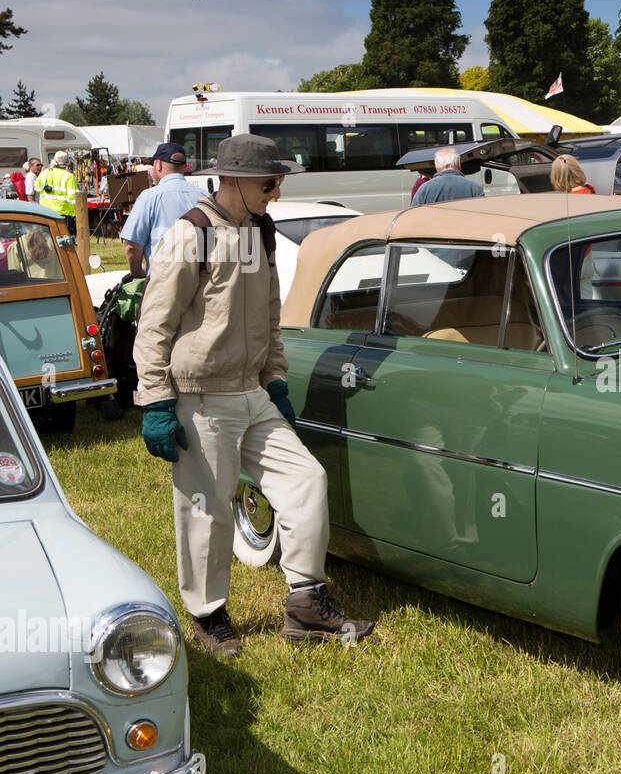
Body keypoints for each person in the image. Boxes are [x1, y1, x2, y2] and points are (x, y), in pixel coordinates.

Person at [133, 133, 374, 657]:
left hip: (251, 393)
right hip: (199, 396)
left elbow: (270, 316)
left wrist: (276, 379)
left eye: (279, 182)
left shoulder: (258, 232)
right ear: (236, 181)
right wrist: (154, 401)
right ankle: (207, 615)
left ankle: (306, 605)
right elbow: (154, 326)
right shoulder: (189, 235)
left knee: (307, 480)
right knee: (208, 510)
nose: (277, 193)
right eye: (270, 183)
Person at [120, 143, 201, 278]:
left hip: (163, 282)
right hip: (199, 283)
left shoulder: (149, 197)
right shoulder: (204, 195)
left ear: (158, 165)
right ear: (183, 167)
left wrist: (138, 272)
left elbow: (132, 247)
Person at [411, 148, 484, 205]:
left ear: (436, 167)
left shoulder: (424, 189)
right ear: (459, 164)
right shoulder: (475, 188)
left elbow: (413, 216)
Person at [35, 151, 79, 234]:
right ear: (66, 163)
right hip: (63, 212)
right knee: (63, 237)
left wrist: (45, 187)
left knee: (48, 236)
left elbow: (37, 188)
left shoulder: (44, 173)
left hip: (46, 210)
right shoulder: (69, 176)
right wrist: (76, 213)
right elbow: (73, 198)